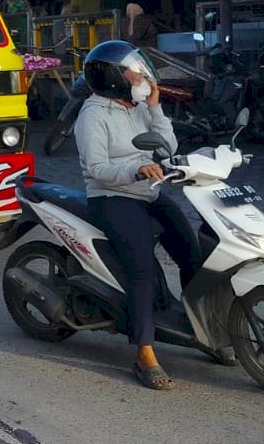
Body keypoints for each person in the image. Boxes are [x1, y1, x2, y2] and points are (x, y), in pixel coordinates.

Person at [73, 40, 201, 392]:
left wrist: (156, 108)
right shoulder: (92, 115)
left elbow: (168, 148)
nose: (142, 77)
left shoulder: (137, 106)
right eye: (134, 72)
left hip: (148, 192)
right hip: (111, 197)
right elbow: (97, 169)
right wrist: (136, 169)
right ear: (114, 77)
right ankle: (144, 351)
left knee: (192, 254)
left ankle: (203, 326)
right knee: (142, 269)